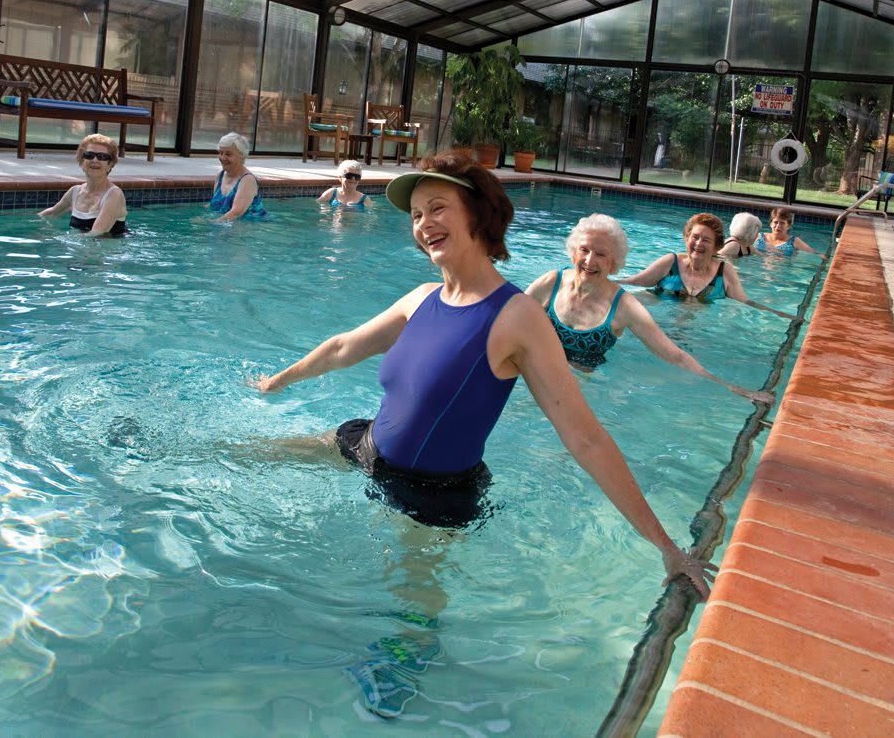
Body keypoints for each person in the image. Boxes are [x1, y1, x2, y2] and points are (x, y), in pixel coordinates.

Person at [255, 152, 714, 589]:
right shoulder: (421, 299)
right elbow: (342, 348)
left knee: (411, 618)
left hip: (434, 498)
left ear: (477, 214)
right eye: (416, 215)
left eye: (437, 208)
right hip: (367, 445)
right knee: (244, 455)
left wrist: (666, 547)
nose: (423, 224)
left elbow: (586, 438)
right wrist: (278, 381)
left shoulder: (516, 316)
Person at [525, 214, 772, 403]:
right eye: (584, 250)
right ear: (573, 252)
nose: (589, 261)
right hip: (532, 374)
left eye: (601, 254)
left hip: (581, 385)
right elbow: (509, 316)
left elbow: (674, 354)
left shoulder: (624, 306)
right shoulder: (552, 282)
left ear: (614, 263)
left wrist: (729, 386)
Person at [619, 212, 798, 320]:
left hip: (702, 333)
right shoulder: (671, 262)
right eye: (695, 237)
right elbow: (634, 282)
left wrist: (780, 314)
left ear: (716, 246)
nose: (698, 244)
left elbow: (745, 301)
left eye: (706, 240)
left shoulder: (724, 271)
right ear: (686, 238)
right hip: (660, 322)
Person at [38, 132, 127, 236]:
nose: (95, 160)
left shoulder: (114, 195)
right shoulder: (75, 191)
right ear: (81, 161)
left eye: (102, 156)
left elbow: (96, 233)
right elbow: (52, 213)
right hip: (81, 248)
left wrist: (56, 239)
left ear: (110, 164)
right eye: (89, 155)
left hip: (107, 250)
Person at [207, 132, 266, 221]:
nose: (222, 158)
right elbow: (214, 205)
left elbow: (235, 213)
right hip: (229, 226)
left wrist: (209, 223)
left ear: (241, 156)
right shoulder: (220, 176)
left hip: (251, 226)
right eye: (220, 153)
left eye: (228, 154)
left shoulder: (247, 180)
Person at [758, 206, 822, 256]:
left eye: (782, 223)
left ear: (788, 226)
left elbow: (815, 254)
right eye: (775, 222)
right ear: (770, 224)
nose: (778, 226)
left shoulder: (794, 241)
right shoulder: (759, 237)